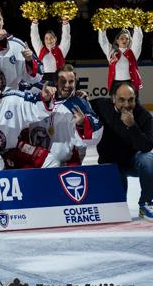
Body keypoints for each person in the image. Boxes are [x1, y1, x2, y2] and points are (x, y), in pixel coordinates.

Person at [13, 65, 102, 168]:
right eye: (63, 81)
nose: (67, 85)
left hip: (63, 165)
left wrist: (83, 122)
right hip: (35, 160)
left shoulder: (79, 103)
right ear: (56, 81)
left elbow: (95, 129)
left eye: (71, 82)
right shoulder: (39, 91)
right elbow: (15, 88)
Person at [0, 67, 56, 170]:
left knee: (49, 159)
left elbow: (35, 107)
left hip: (11, 150)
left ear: (0, 84)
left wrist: (45, 98)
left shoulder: (12, 99)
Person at [91, 82, 153, 221]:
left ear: (135, 98)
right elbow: (82, 104)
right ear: (113, 99)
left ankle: (146, 203)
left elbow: (147, 146)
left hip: (132, 162)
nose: (126, 104)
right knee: (119, 210)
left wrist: (132, 126)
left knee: (148, 160)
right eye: (122, 100)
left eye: (131, 100)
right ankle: (118, 204)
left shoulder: (144, 116)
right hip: (110, 163)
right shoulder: (101, 106)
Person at [98, 26, 143, 92]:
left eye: (127, 39)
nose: (125, 40)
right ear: (117, 41)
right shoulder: (111, 52)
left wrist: (137, 26)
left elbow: (138, 41)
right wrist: (101, 29)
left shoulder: (133, 52)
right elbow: (103, 42)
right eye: (122, 38)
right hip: (115, 84)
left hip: (130, 84)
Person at [30, 17, 70, 82]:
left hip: (58, 79)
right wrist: (34, 23)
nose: (49, 40)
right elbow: (34, 37)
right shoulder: (40, 50)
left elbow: (66, 37)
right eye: (46, 38)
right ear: (44, 40)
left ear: (55, 39)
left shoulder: (61, 50)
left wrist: (65, 23)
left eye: (51, 38)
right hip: (43, 80)